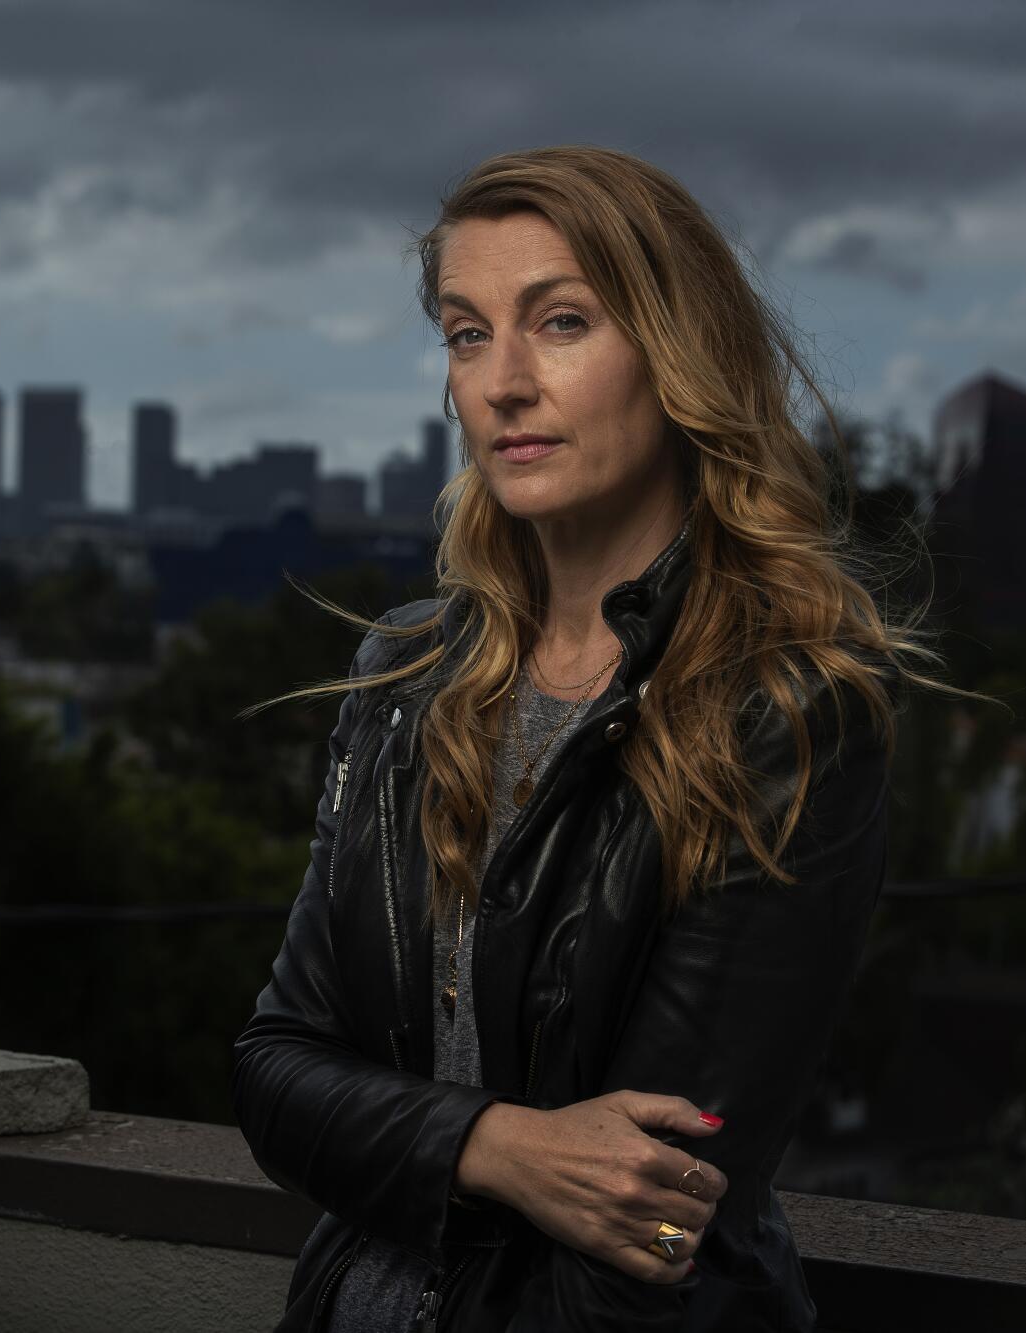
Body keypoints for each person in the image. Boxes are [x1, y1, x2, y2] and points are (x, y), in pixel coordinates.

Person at [232, 144, 970, 1331]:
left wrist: (416, 1143)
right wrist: (501, 1143)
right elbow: (275, 1070)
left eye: (560, 322)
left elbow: (667, 1209)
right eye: (467, 334)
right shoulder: (403, 675)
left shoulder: (779, 707)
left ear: (678, 352)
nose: (501, 382)